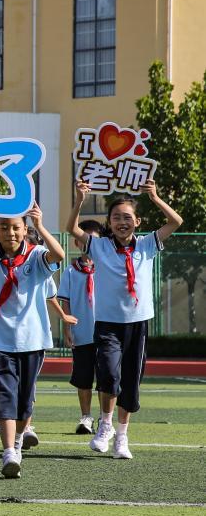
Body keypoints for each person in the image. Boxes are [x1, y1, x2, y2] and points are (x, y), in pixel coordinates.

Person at [68, 180, 182, 459]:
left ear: (137, 221)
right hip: (107, 323)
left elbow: (175, 221)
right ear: (109, 221)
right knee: (109, 373)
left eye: (127, 217)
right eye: (116, 217)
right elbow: (72, 229)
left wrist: (155, 197)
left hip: (138, 323)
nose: (122, 222)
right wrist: (80, 200)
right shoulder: (99, 246)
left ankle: (122, 435)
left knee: (131, 382)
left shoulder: (146, 244)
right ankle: (104, 425)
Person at [0, 204, 64, 479]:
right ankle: (8, 451)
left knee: (25, 399)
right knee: (5, 396)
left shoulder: (35, 256)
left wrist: (41, 226)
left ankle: (18, 440)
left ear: (25, 230)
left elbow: (59, 254)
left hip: (32, 340)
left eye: (16, 227)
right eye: (3, 227)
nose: (10, 232)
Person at [56, 220, 104, 435]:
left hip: (106, 331)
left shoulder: (107, 267)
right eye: (84, 239)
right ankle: (86, 417)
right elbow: (65, 300)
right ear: (77, 242)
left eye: (93, 239)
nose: (88, 243)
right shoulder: (71, 271)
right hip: (82, 332)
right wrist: (67, 326)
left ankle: (105, 418)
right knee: (84, 377)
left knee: (107, 377)